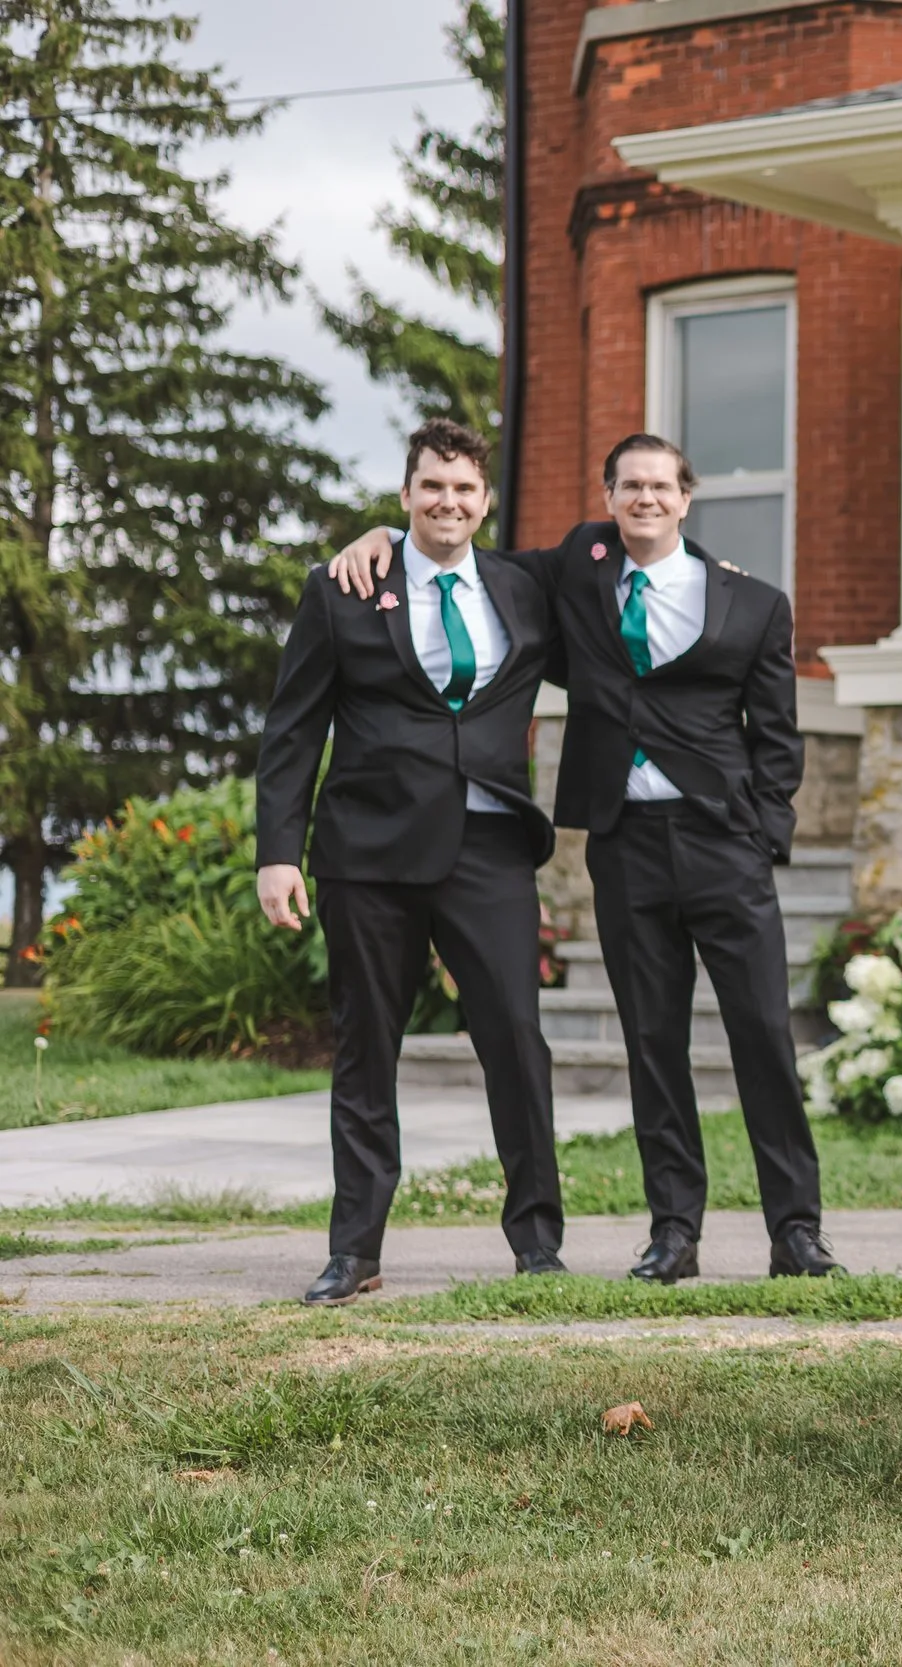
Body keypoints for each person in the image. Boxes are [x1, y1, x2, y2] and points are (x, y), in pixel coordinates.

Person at [323, 435, 836, 1285]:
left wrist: (761, 833)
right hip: (624, 841)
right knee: (652, 1042)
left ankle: (797, 1230)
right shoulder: (576, 568)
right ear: (609, 494)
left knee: (763, 1040)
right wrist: (379, 536)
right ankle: (674, 1231)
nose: (644, 497)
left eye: (660, 486)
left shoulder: (752, 603)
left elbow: (778, 739)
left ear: (684, 498)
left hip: (721, 845)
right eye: (629, 484)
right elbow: (457, 548)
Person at [256, 418, 567, 1305]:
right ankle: (355, 1248)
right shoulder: (342, 589)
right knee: (366, 1050)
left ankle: (537, 1242)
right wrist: (279, 854)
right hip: (370, 852)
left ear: (485, 500)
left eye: (465, 489)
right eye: (432, 487)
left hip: (490, 847)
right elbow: (292, 728)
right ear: (405, 494)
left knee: (516, 1038)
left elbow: (609, 552)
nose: (449, 502)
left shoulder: (525, 585)